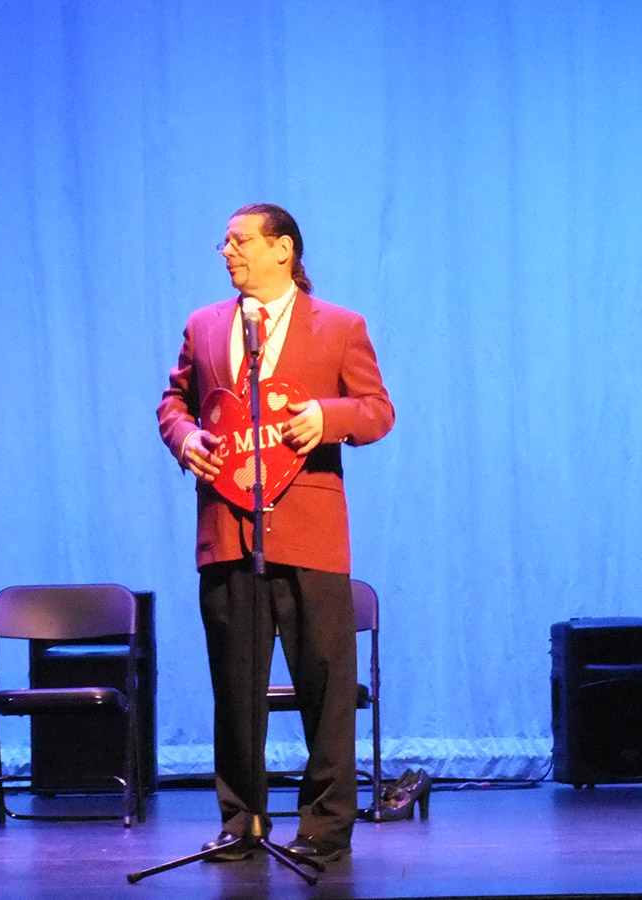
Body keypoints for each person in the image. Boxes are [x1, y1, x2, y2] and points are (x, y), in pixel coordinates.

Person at [157, 204, 393, 864]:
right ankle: (242, 821)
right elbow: (174, 403)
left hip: (309, 534)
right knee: (235, 689)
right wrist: (185, 438)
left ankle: (324, 827)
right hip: (227, 534)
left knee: (326, 688)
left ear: (283, 249)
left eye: (239, 241)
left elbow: (377, 410)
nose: (227, 252)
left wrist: (327, 416)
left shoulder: (340, 326)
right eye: (225, 243)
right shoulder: (204, 325)